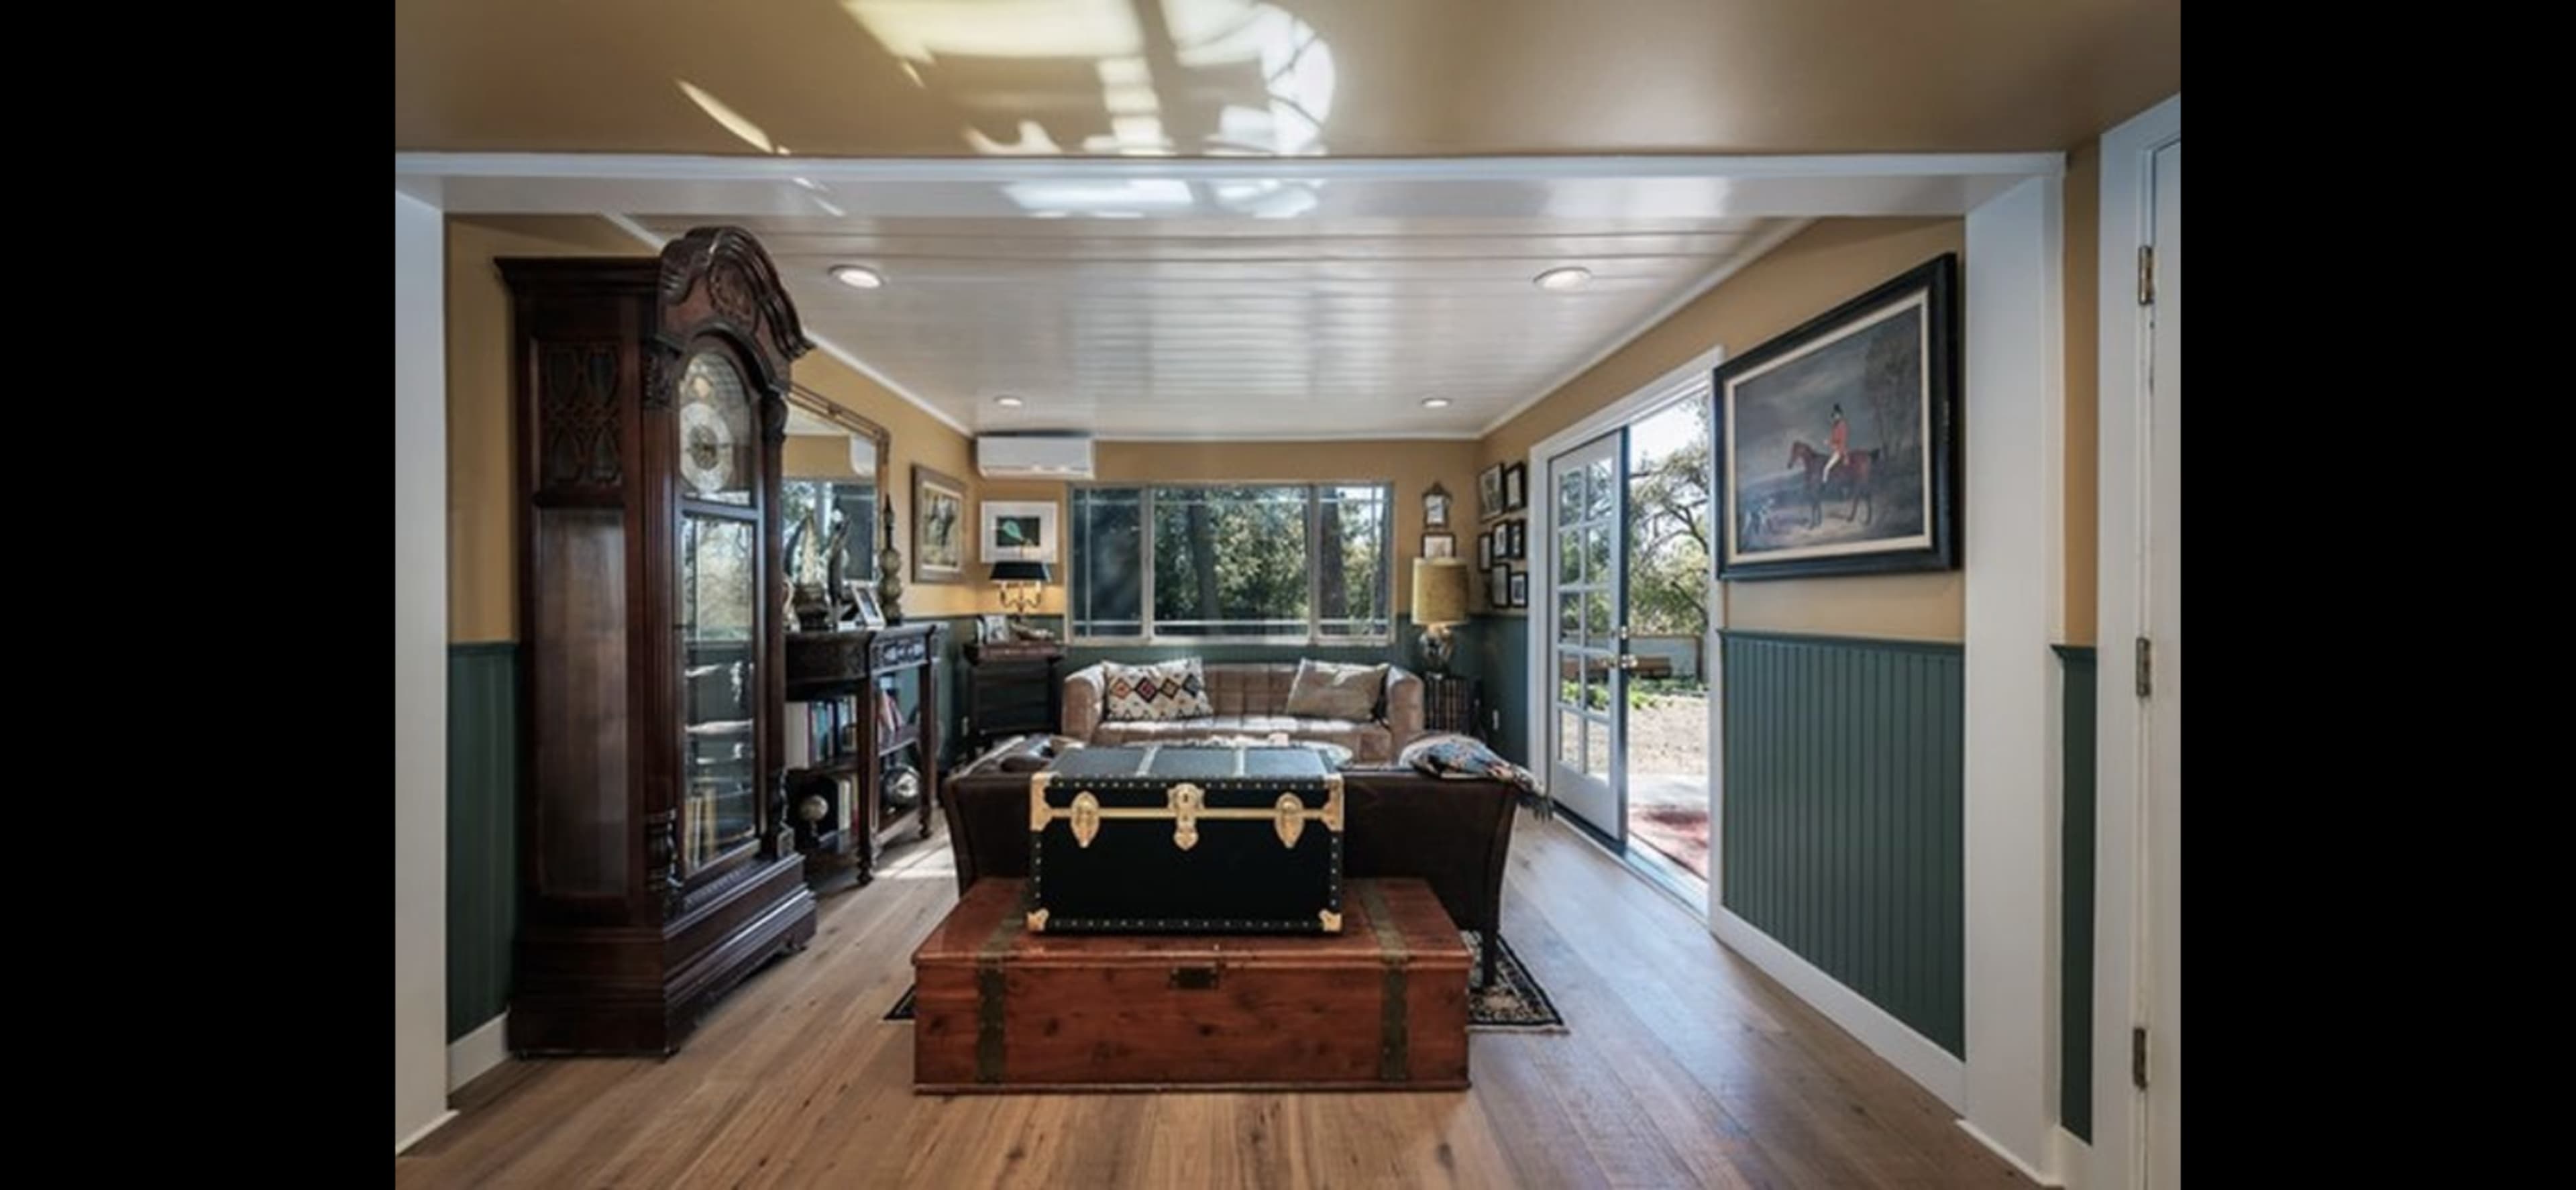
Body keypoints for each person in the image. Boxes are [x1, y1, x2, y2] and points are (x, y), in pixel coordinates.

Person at [1820, 404, 1850, 484]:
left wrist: (1835, 446)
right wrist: (1828, 442)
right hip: (1835, 449)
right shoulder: (1835, 426)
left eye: (1837, 415)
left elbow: (1843, 440)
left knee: (1826, 469)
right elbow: (1834, 439)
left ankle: (1824, 485)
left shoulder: (1842, 425)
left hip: (1840, 450)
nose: (1835, 417)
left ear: (1840, 415)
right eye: (1834, 416)